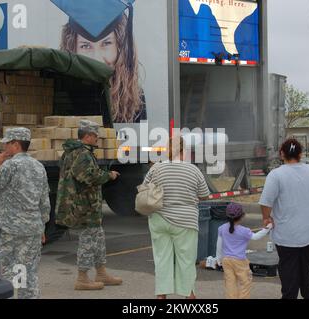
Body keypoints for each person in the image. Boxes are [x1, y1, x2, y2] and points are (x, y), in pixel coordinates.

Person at [0, 127, 50, 299]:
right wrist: (41, 227)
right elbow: (44, 203)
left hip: (10, 230)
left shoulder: (9, 166)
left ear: (16, 144)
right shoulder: (39, 166)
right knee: (28, 274)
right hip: (32, 229)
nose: (4, 148)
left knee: (7, 274)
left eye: (7, 144)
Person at [52, 0, 147, 123]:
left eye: (106, 43)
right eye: (85, 46)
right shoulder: (61, 95)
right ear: (72, 49)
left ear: (120, 48)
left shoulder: (134, 97)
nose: (96, 58)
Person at [55, 120, 122, 290]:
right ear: (87, 136)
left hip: (90, 206)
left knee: (97, 238)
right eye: (95, 135)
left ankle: (101, 272)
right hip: (84, 206)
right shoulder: (81, 153)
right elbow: (88, 176)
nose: (97, 138)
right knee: (88, 240)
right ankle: (82, 278)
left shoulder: (79, 152)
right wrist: (109, 175)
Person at [258, 139, 309, 299]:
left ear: (281, 153)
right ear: (300, 154)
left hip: (286, 236)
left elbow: (266, 202)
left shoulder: (276, 175)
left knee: (289, 283)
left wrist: (266, 218)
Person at [144, 136, 210, 299]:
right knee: (186, 261)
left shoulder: (156, 168)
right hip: (185, 221)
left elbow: (144, 190)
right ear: (183, 151)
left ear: (168, 150)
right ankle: (189, 295)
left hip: (159, 218)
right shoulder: (193, 170)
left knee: (162, 260)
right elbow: (204, 195)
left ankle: (161, 296)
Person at [215, 203, 272, 299]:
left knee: (230, 283)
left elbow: (218, 244)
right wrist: (268, 228)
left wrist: (218, 257)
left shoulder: (221, 228)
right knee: (245, 283)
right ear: (242, 216)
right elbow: (255, 237)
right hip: (240, 261)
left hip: (226, 260)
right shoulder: (244, 231)